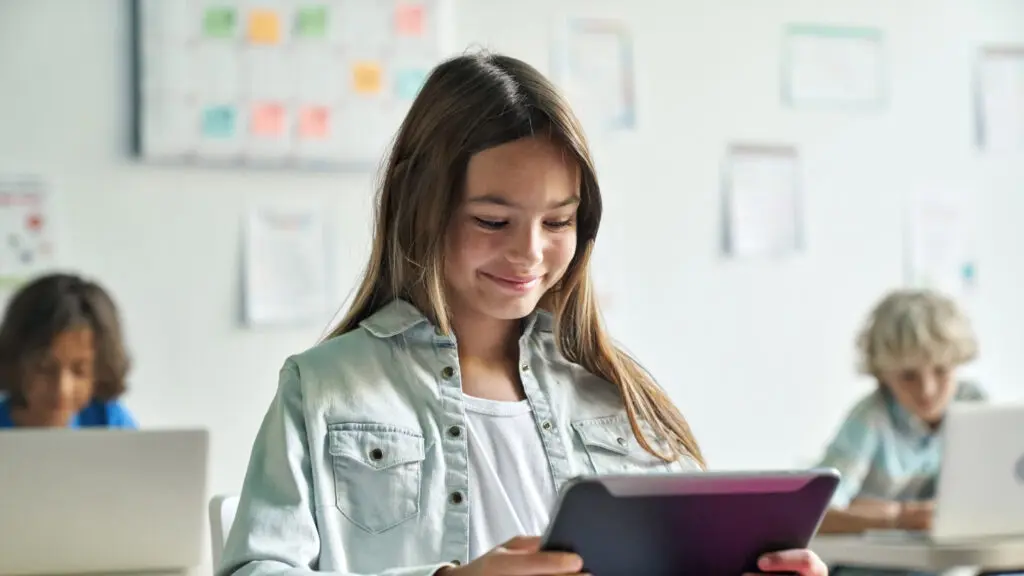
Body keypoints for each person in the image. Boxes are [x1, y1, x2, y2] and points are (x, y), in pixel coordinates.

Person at [218, 51, 827, 576]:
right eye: (492, 220)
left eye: (557, 221)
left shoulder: (616, 401)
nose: (529, 253)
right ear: (422, 207)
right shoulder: (325, 388)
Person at [0, 272, 137, 428]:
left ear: (101, 372)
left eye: (80, 371)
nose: (62, 389)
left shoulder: (108, 420)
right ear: (16, 363)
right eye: (45, 368)